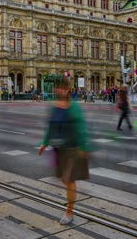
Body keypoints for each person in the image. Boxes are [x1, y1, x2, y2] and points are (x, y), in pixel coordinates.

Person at [38, 81, 91, 225]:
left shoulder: (73, 107)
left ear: (68, 90)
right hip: (60, 149)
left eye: (62, 88)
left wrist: (83, 146)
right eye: (58, 88)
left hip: (73, 148)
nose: (60, 91)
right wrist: (45, 142)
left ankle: (69, 212)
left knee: (69, 180)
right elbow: (51, 126)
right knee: (64, 179)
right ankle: (70, 208)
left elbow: (81, 126)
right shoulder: (55, 106)